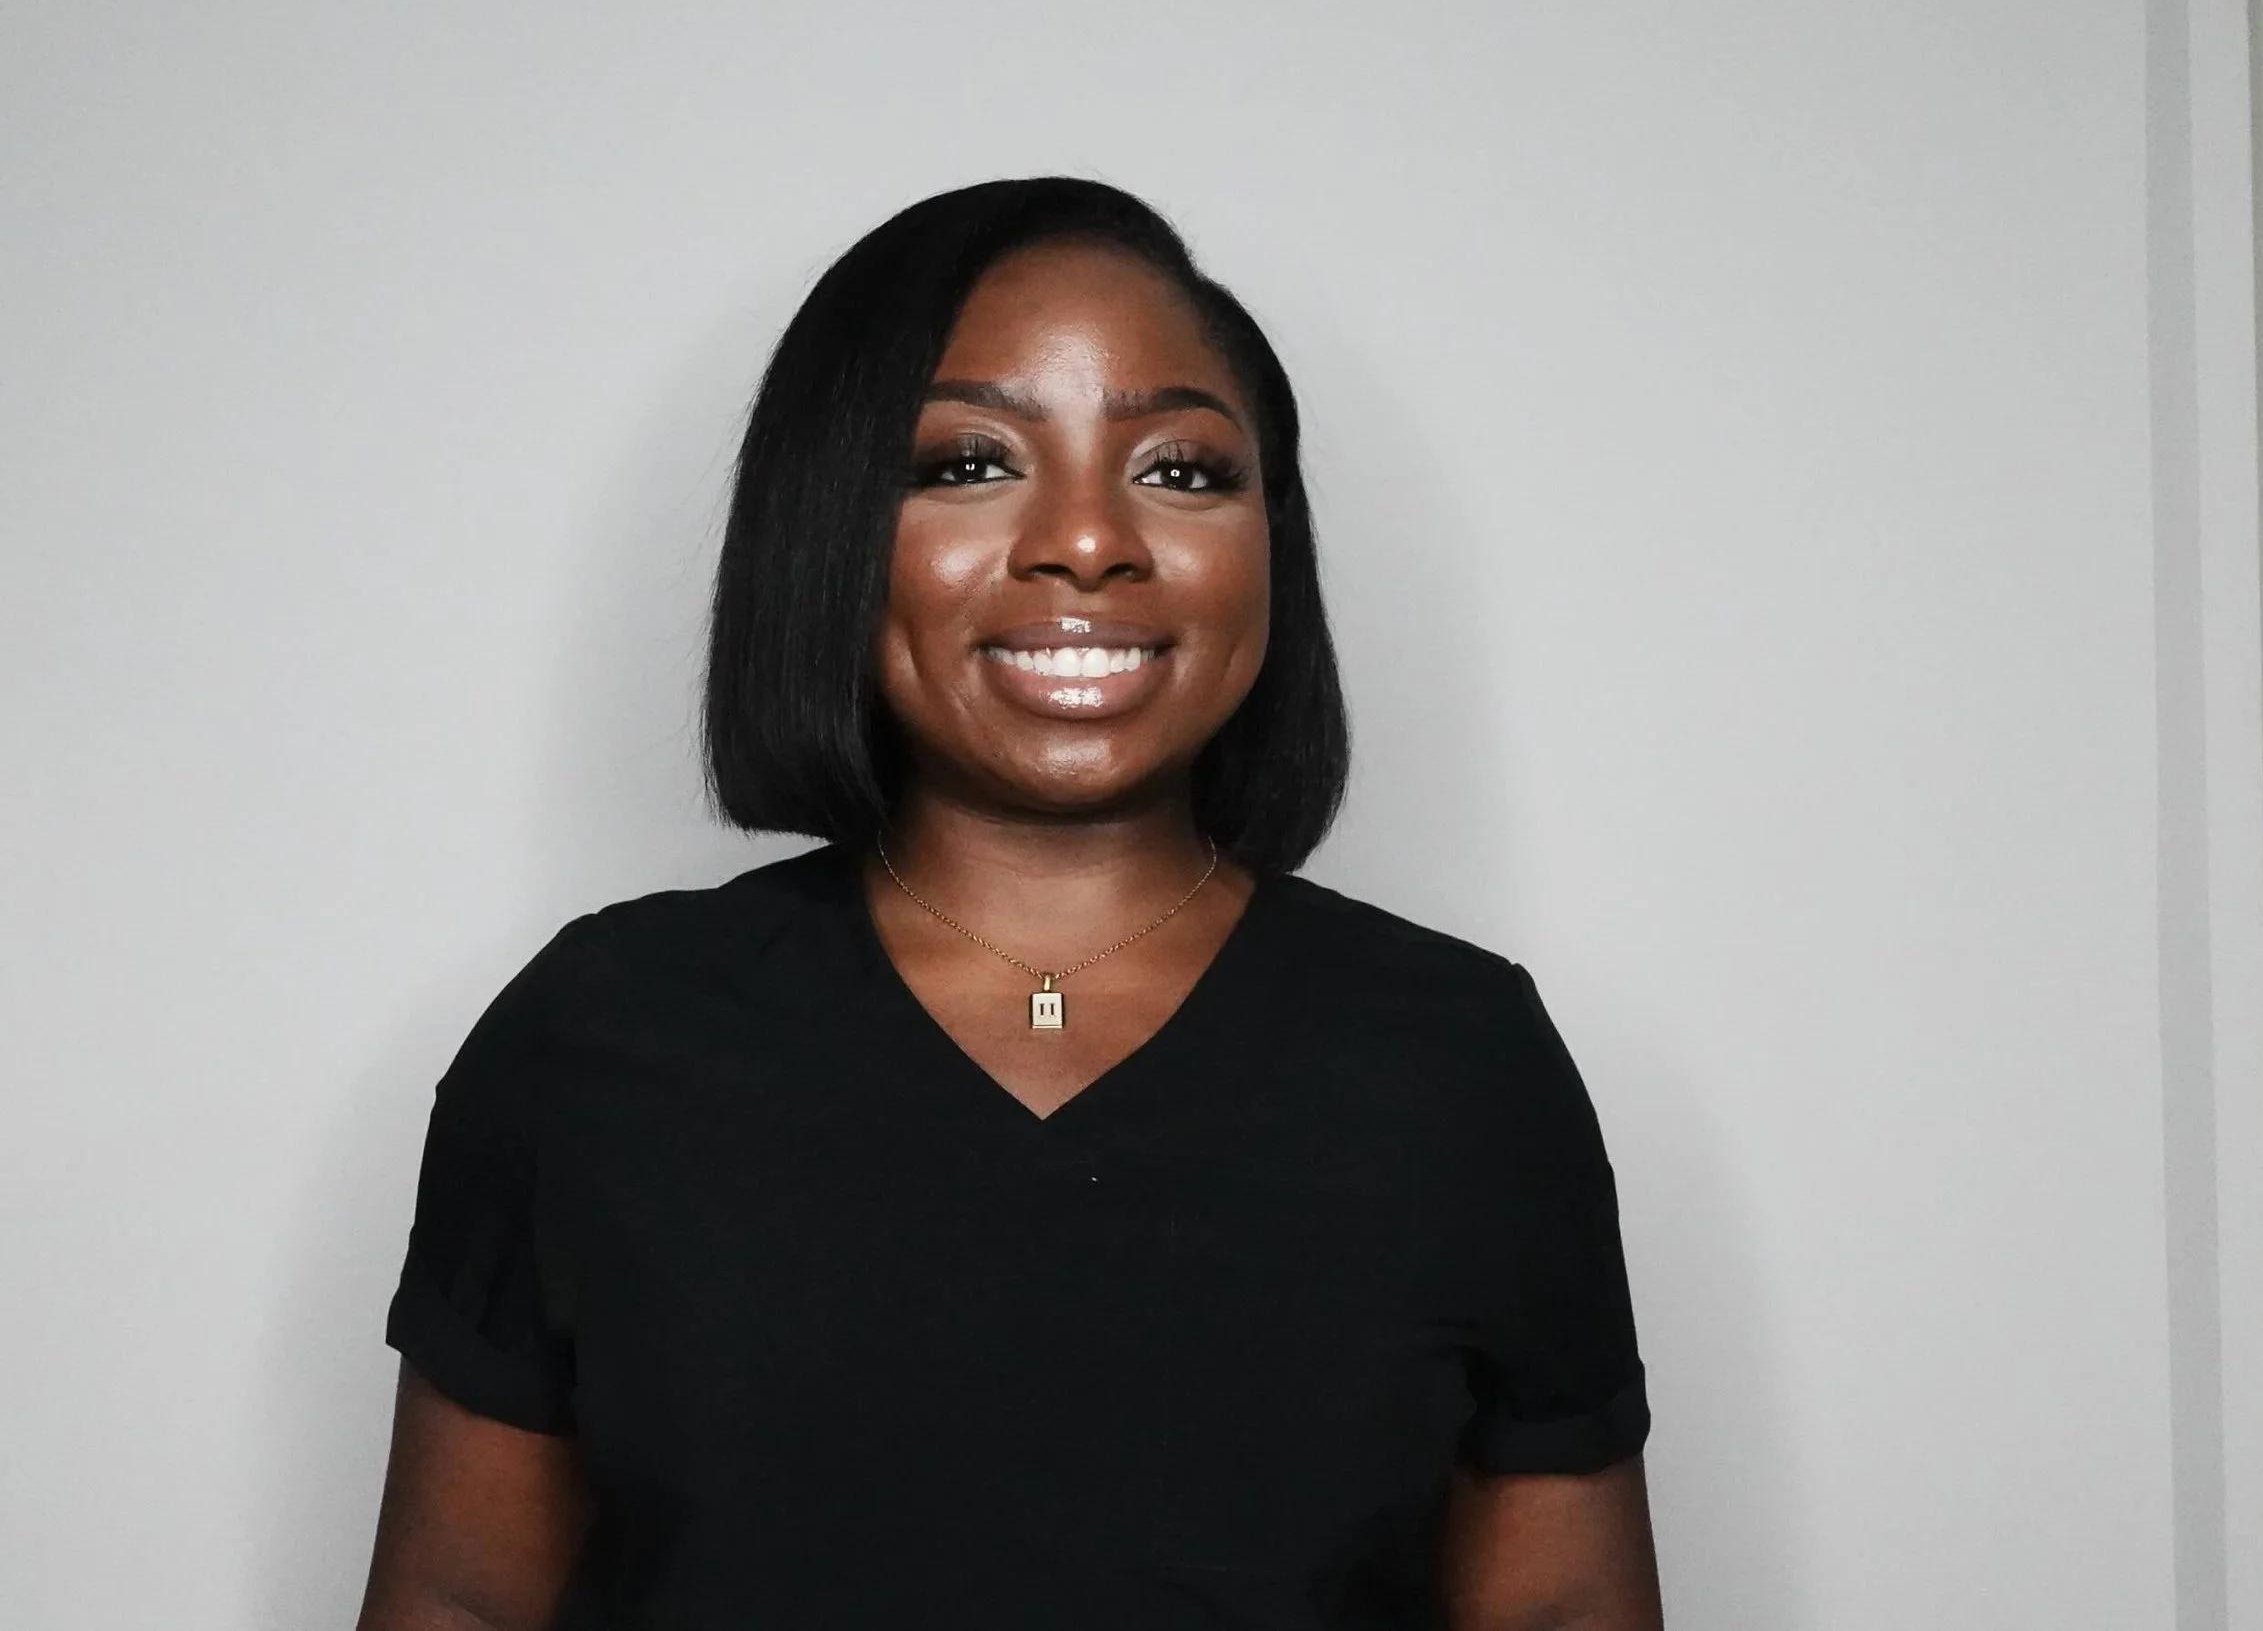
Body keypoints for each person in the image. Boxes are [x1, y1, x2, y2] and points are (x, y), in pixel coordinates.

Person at [355, 176, 1660, 1630]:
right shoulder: (596, 1041)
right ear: (837, 526)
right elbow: (458, 1599)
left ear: (1267, 546)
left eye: (1180, 470)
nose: (1088, 540)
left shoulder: (1460, 1062)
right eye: (972, 460)